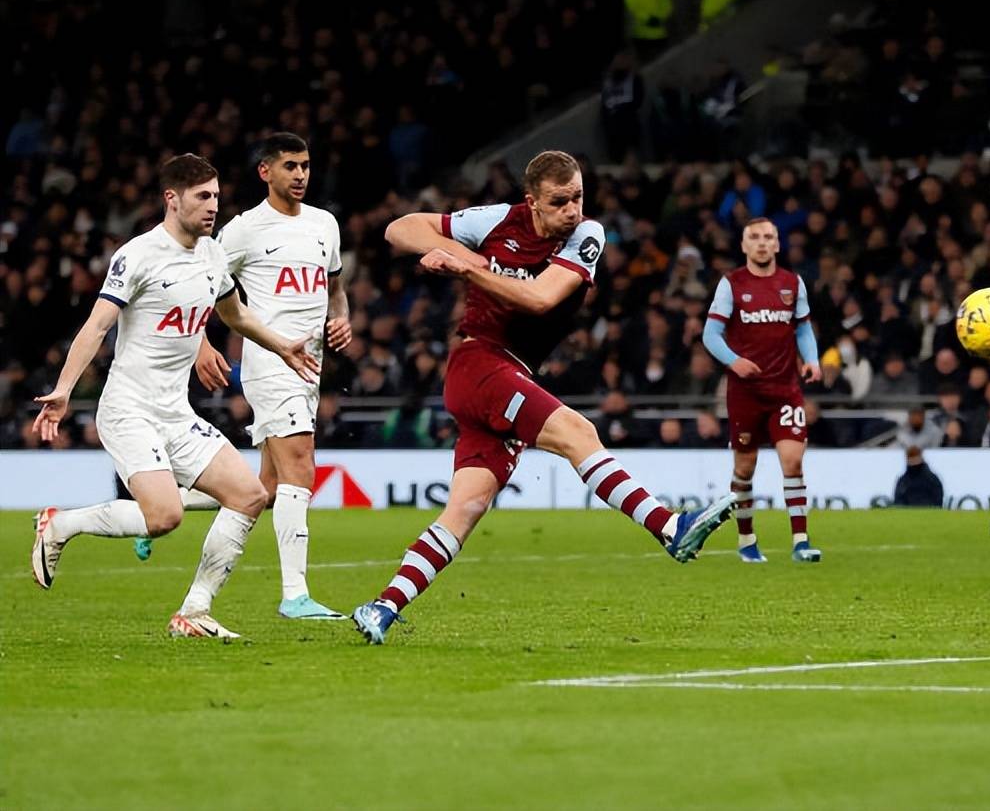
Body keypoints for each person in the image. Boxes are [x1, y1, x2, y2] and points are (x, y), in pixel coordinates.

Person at [351, 150, 734, 643]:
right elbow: (400, 229)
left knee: (465, 509)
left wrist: (466, 269)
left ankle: (383, 606)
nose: (572, 209)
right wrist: (464, 255)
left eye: (577, 196)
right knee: (579, 432)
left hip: (505, 372)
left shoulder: (586, 236)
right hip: (479, 365)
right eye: (559, 202)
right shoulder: (496, 220)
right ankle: (670, 527)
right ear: (531, 202)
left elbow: (540, 298)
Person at [30, 154, 318, 638]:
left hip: (173, 411)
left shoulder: (211, 255)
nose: (213, 207)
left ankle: (194, 612)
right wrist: (63, 389)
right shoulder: (138, 255)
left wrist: (281, 344)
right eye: (203, 197)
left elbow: (237, 316)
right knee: (164, 517)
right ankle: (61, 524)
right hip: (129, 410)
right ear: (172, 198)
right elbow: (97, 326)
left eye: (217, 197)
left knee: (250, 494)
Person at [150, 133, 353, 619]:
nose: (301, 175)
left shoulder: (325, 224)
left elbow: (336, 288)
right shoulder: (243, 231)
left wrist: (342, 317)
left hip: (311, 367)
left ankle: (153, 511)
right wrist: (200, 343)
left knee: (261, 488)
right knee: (301, 465)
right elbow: (199, 283)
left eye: (305, 165)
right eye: (290, 166)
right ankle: (294, 594)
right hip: (270, 364)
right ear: (266, 172)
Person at [702, 217, 823, 563]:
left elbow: (802, 329)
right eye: (754, 237)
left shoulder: (792, 283)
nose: (762, 243)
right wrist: (733, 361)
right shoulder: (732, 284)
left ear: (778, 244)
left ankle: (801, 541)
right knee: (744, 468)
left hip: (785, 389)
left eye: (768, 237)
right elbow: (710, 335)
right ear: (743, 246)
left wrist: (811, 359)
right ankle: (746, 540)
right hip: (745, 393)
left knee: (793, 461)